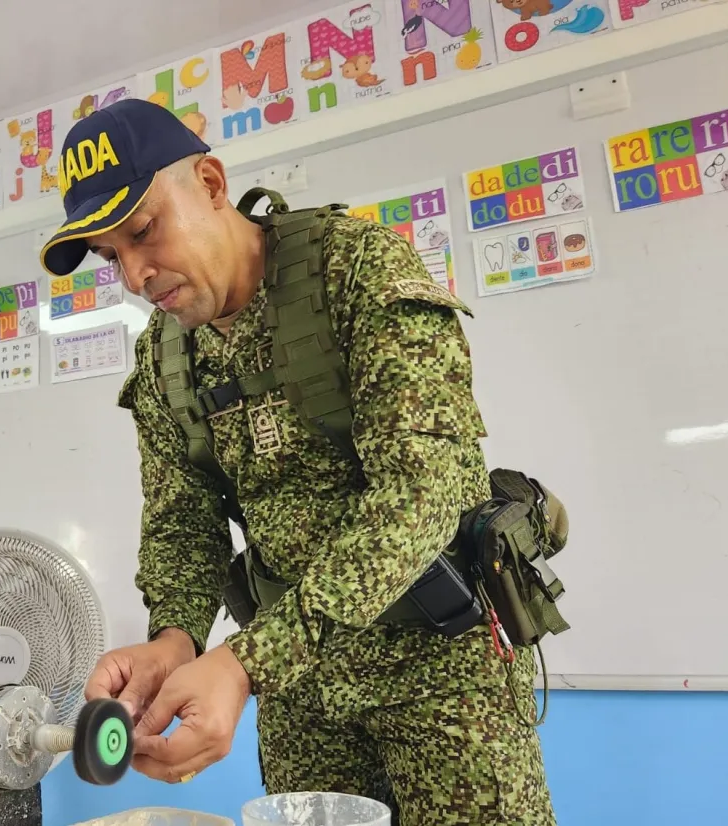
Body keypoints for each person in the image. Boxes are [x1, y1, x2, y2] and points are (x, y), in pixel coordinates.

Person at [39, 99, 557, 825]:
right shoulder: (165, 356)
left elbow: (424, 492)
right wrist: (175, 639)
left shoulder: (358, 270)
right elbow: (183, 521)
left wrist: (247, 662)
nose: (134, 274)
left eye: (143, 230)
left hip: (442, 677)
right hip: (302, 697)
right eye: (110, 255)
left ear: (212, 183)